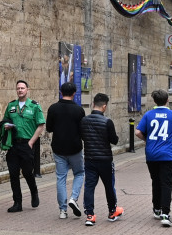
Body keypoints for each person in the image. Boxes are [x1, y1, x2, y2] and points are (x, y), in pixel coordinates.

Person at [136, 89, 172, 224]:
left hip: (152, 153)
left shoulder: (148, 114)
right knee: (166, 183)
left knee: (155, 181)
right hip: (167, 154)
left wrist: (148, 140)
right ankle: (165, 213)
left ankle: (156, 208)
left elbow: (138, 132)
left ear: (154, 101)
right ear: (167, 100)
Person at [0, 80, 44, 212]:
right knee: (13, 173)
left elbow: (41, 125)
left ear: (27, 90)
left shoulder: (34, 106)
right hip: (13, 145)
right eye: (18, 88)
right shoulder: (11, 105)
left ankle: (34, 192)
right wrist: (6, 126)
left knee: (27, 172)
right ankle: (17, 203)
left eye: (22, 88)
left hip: (27, 144)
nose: (20, 90)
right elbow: (5, 120)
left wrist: (31, 142)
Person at [45, 82, 86, 219]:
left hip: (58, 147)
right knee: (79, 173)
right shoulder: (79, 110)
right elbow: (83, 131)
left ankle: (62, 210)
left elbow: (49, 128)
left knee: (61, 178)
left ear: (61, 92)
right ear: (74, 93)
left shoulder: (53, 108)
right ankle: (73, 198)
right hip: (75, 147)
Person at [80, 92, 122, 225]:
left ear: (93, 104)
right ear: (104, 106)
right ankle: (112, 211)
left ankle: (90, 215)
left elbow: (83, 136)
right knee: (109, 186)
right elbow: (114, 140)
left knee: (89, 186)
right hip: (105, 160)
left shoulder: (84, 120)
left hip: (89, 159)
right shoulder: (107, 122)